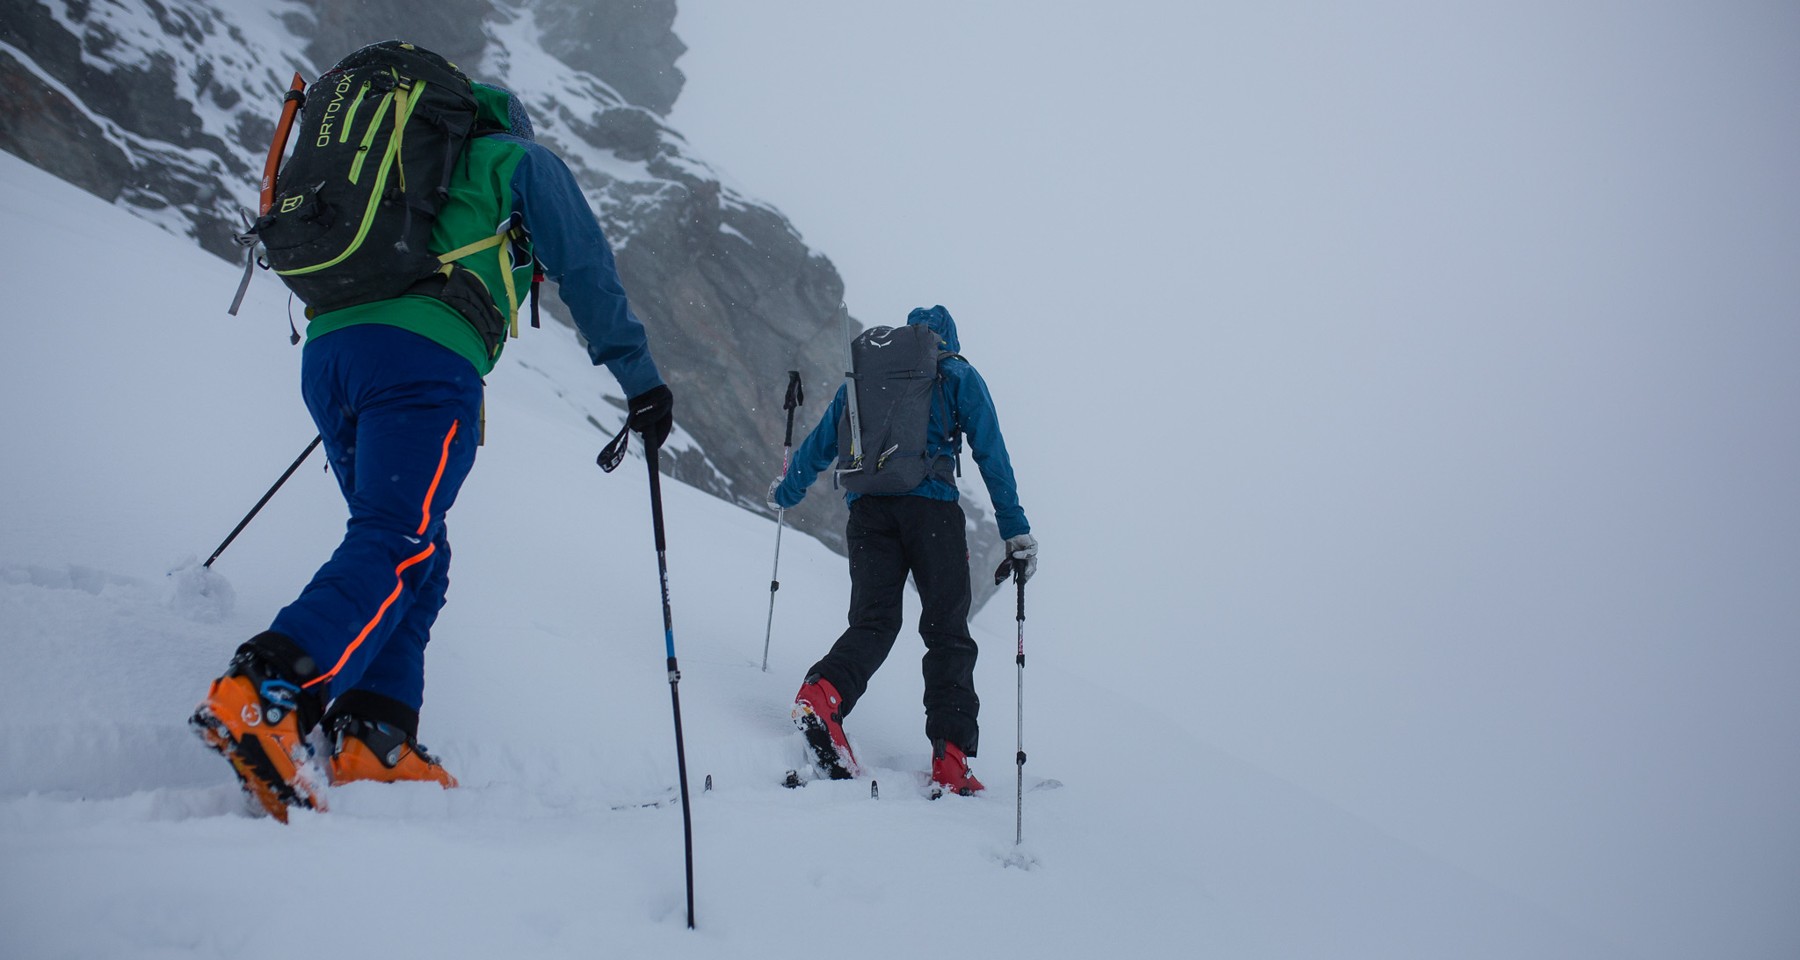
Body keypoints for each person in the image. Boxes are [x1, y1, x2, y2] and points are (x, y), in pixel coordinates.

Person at [190, 53, 673, 821]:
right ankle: (266, 688)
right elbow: (585, 266)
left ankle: (374, 734)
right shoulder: (518, 159)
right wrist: (642, 382)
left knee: (419, 549)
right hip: (421, 361)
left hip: (333, 353)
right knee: (399, 539)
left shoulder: (406, 172)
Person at [768, 305, 1036, 795]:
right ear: (946, 340)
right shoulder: (955, 372)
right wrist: (1014, 530)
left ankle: (822, 693)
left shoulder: (867, 379)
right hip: (932, 514)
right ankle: (950, 758)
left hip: (869, 512)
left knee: (874, 621)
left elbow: (825, 438)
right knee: (946, 632)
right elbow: (990, 452)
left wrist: (787, 490)